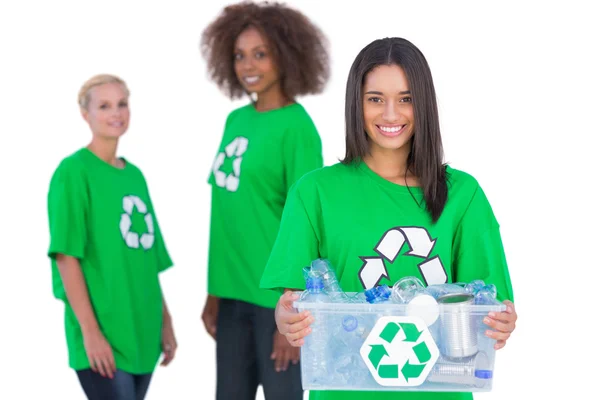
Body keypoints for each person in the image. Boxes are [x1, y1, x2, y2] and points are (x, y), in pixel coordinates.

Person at [260, 37, 518, 400]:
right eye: (375, 99)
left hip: (439, 392)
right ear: (356, 103)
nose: (391, 115)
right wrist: (286, 317)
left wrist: (500, 322)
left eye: (406, 99)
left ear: (424, 103)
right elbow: (293, 301)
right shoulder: (315, 192)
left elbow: (490, 307)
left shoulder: (463, 194)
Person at [199, 1, 330, 399]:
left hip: (275, 304)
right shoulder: (236, 120)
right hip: (232, 297)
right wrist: (213, 292)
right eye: (239, 55)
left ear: (286, 56)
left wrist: (295, 314)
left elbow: (309, 228)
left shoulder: (297, 129)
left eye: (260, 53)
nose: (247, 65)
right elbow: (228, 216)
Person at [46, 74, 177, 400]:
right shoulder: (73, 172)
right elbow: (66, 256)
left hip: (142, 330)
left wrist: (165, 320)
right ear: (85, 114)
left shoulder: (134, 176)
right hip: (103, 332)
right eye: (104, 106)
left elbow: (147, 259)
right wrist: (91, 333)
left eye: (121, 104)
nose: (115, 112)